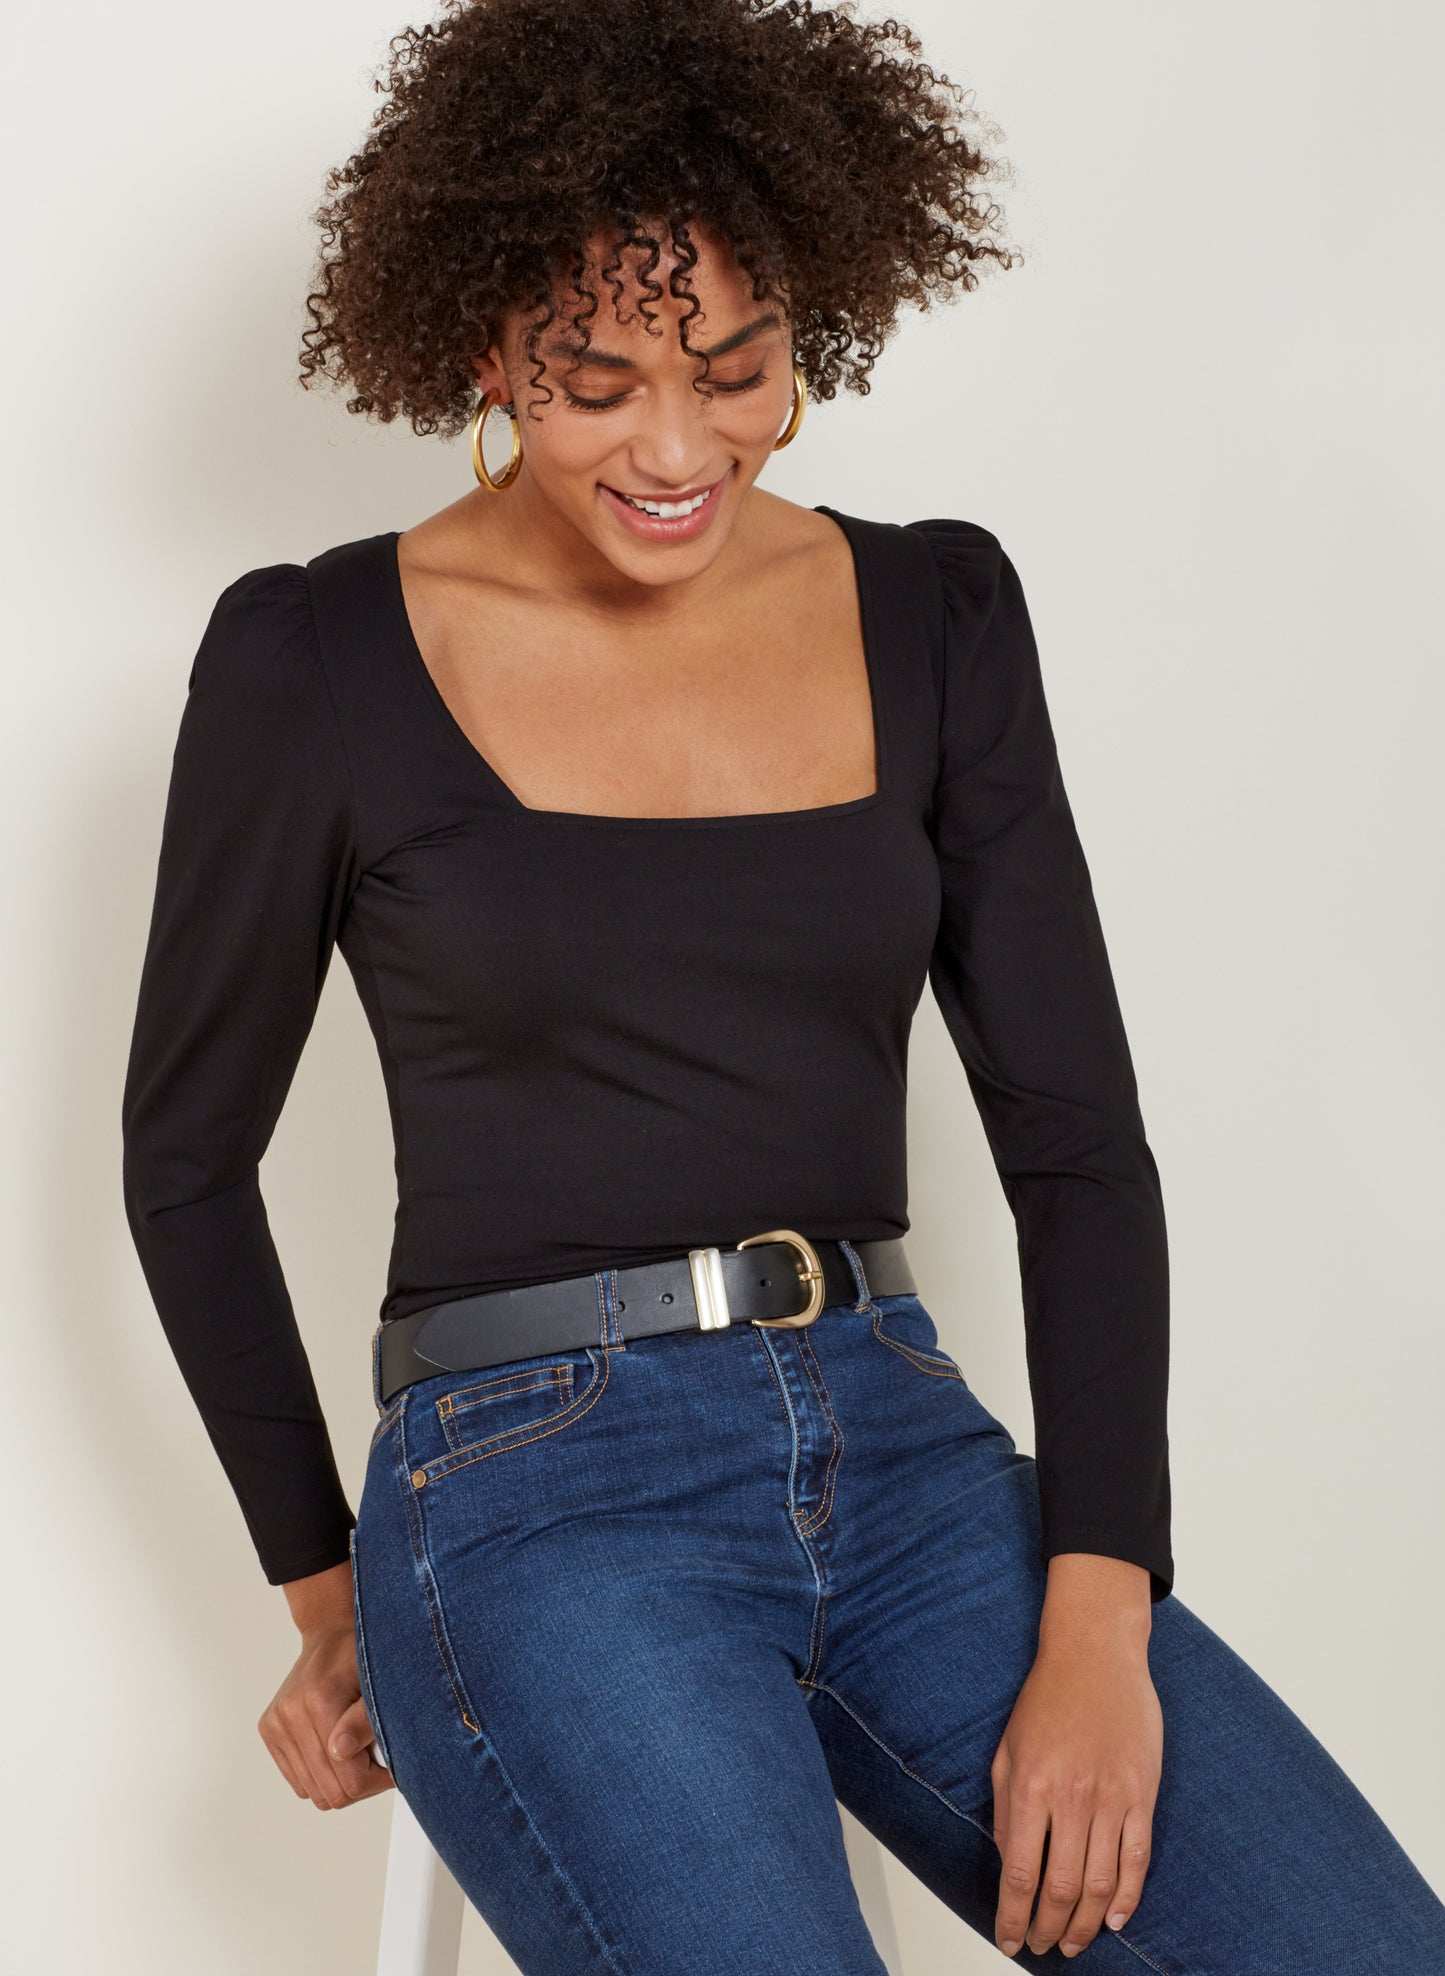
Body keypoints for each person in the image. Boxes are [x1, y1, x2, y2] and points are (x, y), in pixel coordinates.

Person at [119, 1, 1444, 1969]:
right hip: (533, 1499)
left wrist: (1102, 1611)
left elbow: (1075, 1144)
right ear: (485, 351)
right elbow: (185, 1164)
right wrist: (330, 1592)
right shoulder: (314, 656)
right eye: (597, 386)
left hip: (907, 1454)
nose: (678, 449)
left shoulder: (936, 611)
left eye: (737, 371)